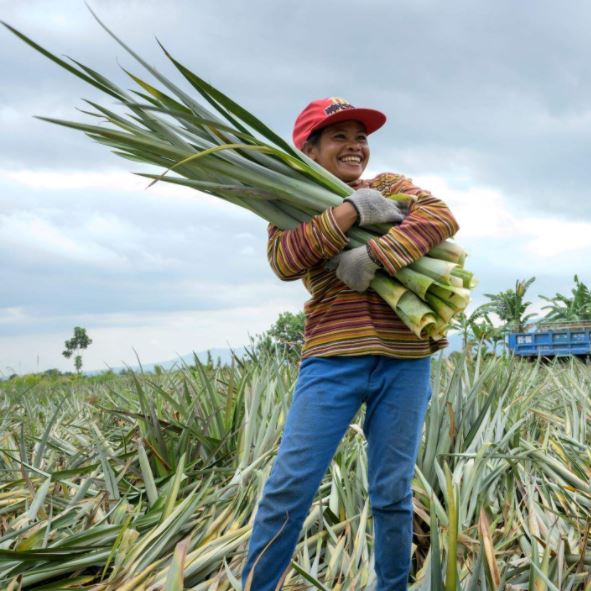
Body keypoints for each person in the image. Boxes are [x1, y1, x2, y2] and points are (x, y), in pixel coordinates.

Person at [241, 97, 459, 590]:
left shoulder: (388, 186)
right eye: (339, 136)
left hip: (405, 360)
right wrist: (347, 212)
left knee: (391, 492)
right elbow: (285, 259)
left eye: (361, 136)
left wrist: (376, 255)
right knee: (289, 488)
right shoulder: (287, 204)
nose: (356, 145)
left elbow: (441, 217)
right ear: (310, 150)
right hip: (331, 359)